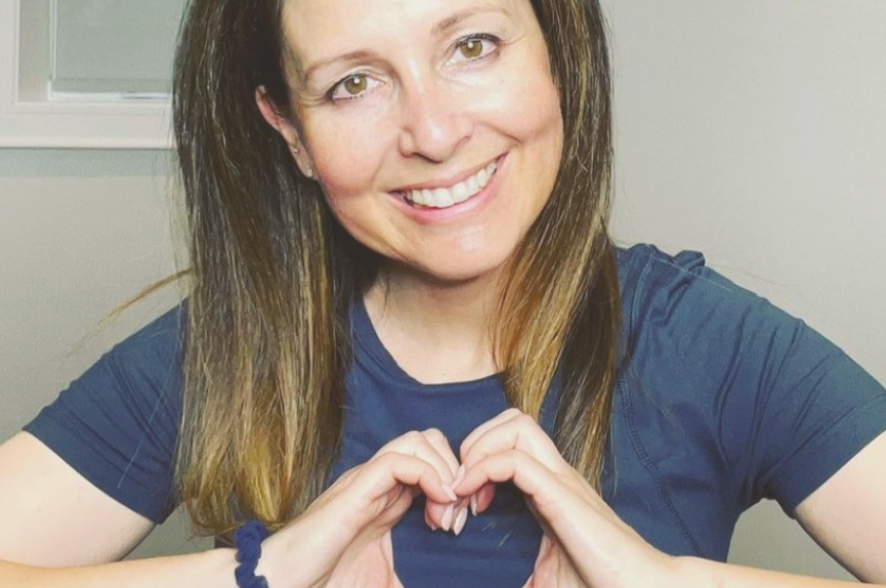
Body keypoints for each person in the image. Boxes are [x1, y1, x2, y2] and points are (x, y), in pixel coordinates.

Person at [0, 0, 884, 586]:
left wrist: (660, 579)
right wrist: (262, 570)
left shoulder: (710, 344)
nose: (431, 132)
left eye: (473, 45)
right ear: (293, 134)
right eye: (352, 84)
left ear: (556, 53)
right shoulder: (236, 348)